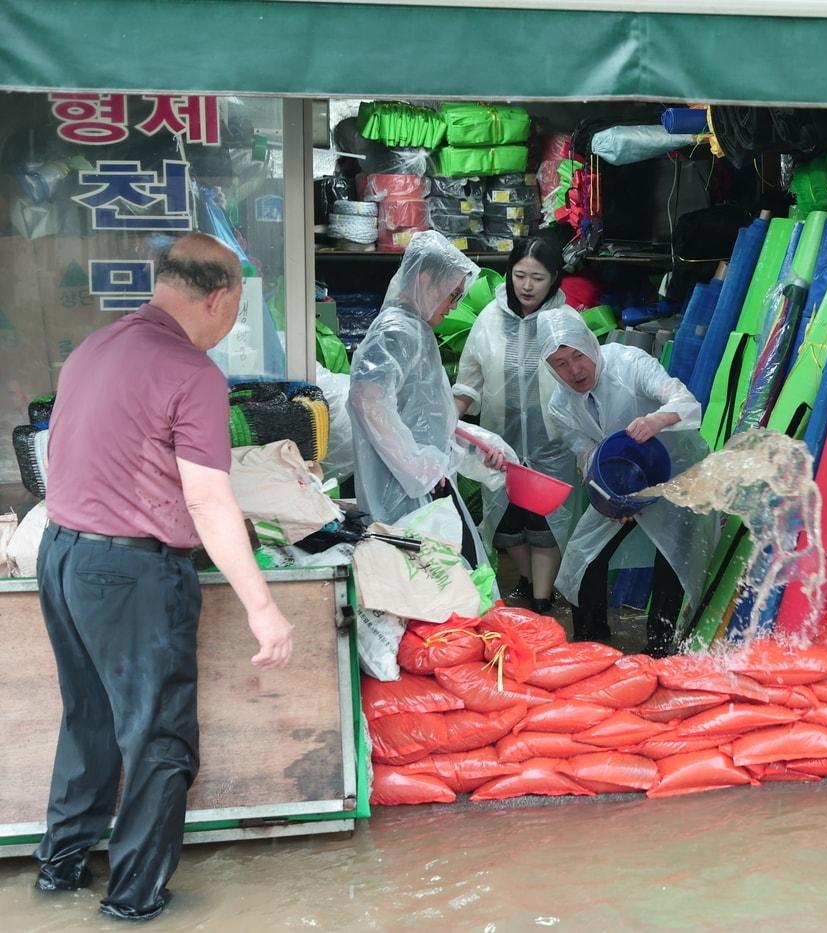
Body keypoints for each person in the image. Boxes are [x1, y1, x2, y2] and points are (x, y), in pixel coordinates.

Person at [34, 233, 295, 922]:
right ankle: (134, 900)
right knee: (157, 740)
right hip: (130, 573)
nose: (229, 327)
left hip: (63, 556)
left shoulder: (94, 347)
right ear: (217, 298)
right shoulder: (190, 371)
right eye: (235, 312)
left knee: (89, 720)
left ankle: (59, 873)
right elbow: (209, 500)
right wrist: (263, 607)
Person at [536, 307, 718, 655]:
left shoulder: (628, 362)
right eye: (560, 363)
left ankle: (660, 651)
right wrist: (612, 500)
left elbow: (685, 400)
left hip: (677, 473)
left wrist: (657, 420)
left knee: (673, 559)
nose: (574, 370)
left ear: (591, 345)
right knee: (582, 555)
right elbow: (586, 453)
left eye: (578, 356)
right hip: (624, 482)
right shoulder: (561, 404)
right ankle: (590, 643)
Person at [349, 230, 507, 564]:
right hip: (406, 494)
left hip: (424, 487)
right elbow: (368, 399)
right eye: (452, 295)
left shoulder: (414, 329)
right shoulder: (397, 330)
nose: (454, 307)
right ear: (424, 280)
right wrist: (420, 468)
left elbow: (428, 418)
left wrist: (475, 447)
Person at [454, 236, 581, 612]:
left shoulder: (566, 322)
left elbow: (583, 380)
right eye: (520, 275)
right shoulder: (489, 320)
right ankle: (527, 582)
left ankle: (541, 603)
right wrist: (444, 420)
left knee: (548, 525)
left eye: (537, 278)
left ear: (555, 278)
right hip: (499, 446)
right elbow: (468, 382)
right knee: (507, 527)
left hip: (552, 444)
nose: (526, 286)